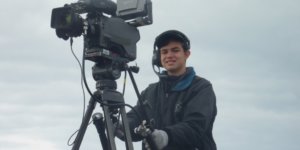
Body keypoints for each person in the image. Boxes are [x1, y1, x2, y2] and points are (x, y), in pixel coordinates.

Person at [118, 30, 217, 150]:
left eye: (175, 50)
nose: (169, 55)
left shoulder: (201, 87)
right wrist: (120, 125)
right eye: (164, 52)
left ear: (186, 54)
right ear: (158, 57)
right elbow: (135, 119)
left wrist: (166, 136)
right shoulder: (150, 92)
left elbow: (195, 126)